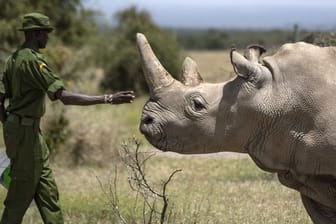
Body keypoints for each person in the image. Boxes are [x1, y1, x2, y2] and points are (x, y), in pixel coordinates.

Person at [0, 12, 135, 224]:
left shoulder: (13, 59)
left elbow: (0, 96)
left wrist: (9, 124)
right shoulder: (34, 62)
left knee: (48, 193)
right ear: (36, 34)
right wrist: (108, 98)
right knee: (20, 194)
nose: (48, 38)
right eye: (46, 33)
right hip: (26, 135)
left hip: (29, 134)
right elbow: (63, 97)